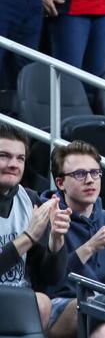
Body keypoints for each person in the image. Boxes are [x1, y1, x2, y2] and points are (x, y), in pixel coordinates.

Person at [42, 140, 105, 338]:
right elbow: (48, 281)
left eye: (95, 173)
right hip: (60, 304)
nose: (90, 180)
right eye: (79, 174)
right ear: (60, 183)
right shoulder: (45, 217)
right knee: (96, 307)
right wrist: (90, 247)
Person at [0, 123, 69, 326]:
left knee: (42, 302)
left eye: (20, 158)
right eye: (4, 156)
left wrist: (56, 241)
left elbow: (51, 277)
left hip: (18, 298)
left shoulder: (29, 200)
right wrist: (28, 237)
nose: (14, 164)